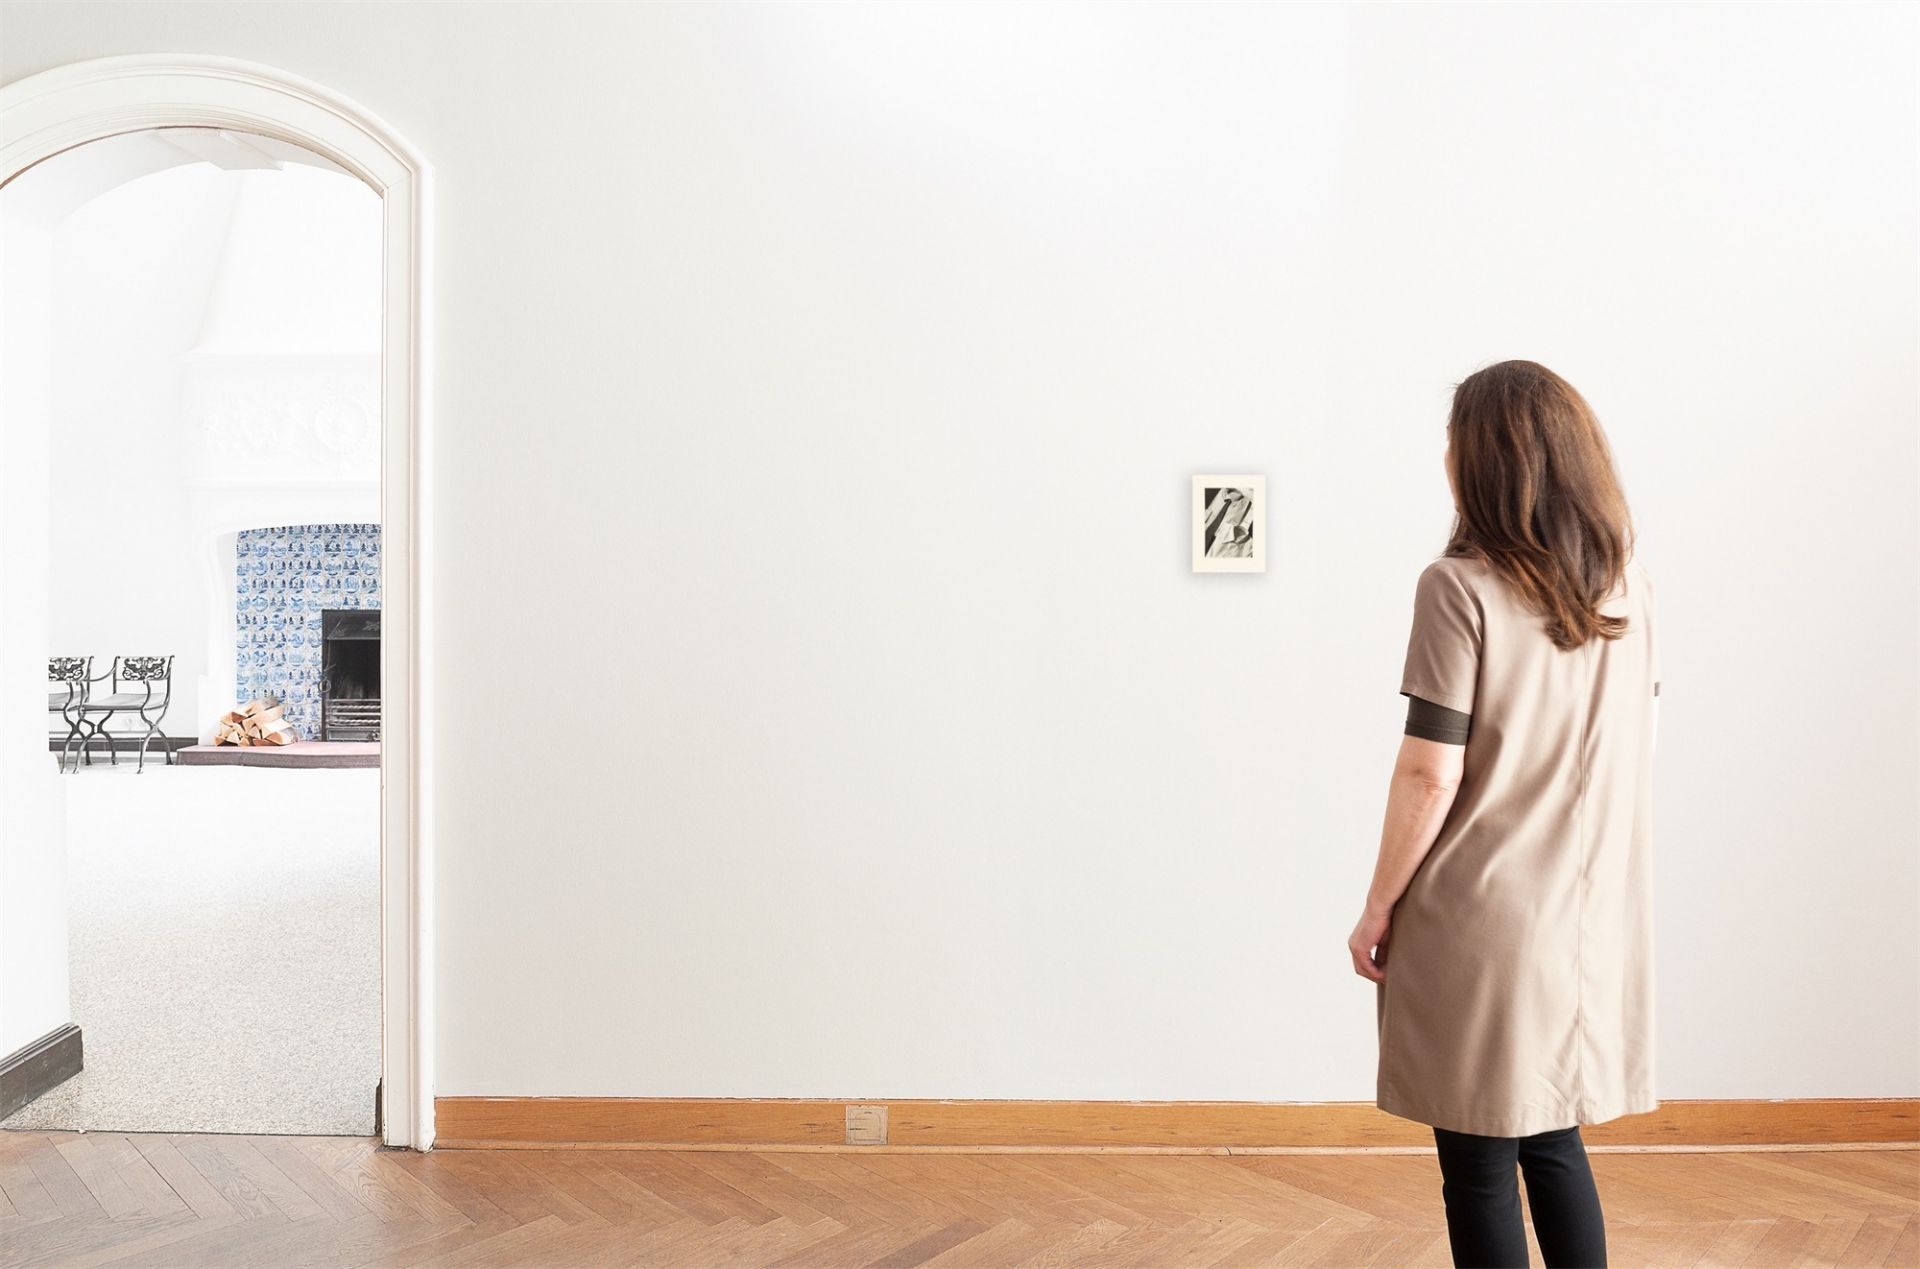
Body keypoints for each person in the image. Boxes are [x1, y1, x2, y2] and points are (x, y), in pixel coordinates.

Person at [1347, 360, 1660, 1268]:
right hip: (1582, 912)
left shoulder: (1458, 587)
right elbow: (1640, 744)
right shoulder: (1628, 587)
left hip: (1478, 915)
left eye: (1452, 441)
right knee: (1553, 1142)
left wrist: (1377, 907)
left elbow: (1428, 775)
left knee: (1479, 1167)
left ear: (1484, 460)